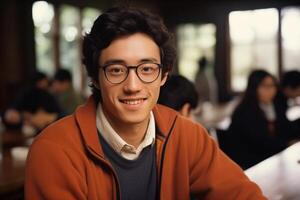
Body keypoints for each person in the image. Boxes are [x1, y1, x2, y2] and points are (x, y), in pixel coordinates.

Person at [25, 6, 266, 199]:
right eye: (117, 70)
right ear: (95, 78)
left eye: (147, 69)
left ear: (163, 75)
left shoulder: (186, 135)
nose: (133, 86)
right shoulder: (54, 150)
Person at [228, 69, 293, 169]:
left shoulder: (276, 105)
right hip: (251, 163)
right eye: (265, 86)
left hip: (274, 159)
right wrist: (287, 143)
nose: (270, 90)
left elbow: (285, 128)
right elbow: (259, 143)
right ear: (254, 88)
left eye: (272, 86)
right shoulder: (244, 112)